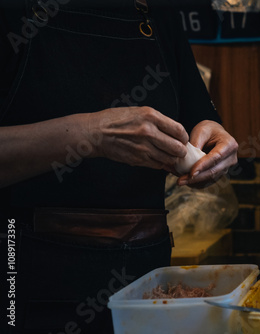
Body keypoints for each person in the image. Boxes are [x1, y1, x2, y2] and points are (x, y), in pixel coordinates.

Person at [0, 1, 238, 333]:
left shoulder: (156, 11)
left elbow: (200, 117)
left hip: (144, 281)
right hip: (25, 280)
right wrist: (90, 134)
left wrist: (215, 142)